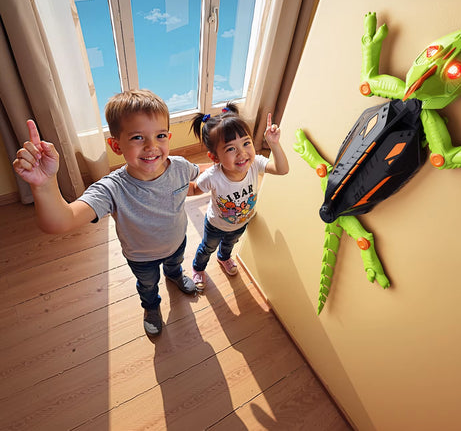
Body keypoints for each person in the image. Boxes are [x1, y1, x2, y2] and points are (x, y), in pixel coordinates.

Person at [12, 89, 202, 336]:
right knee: (147, 286)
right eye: (137, 137)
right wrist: (44, 184)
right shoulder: (111, 188)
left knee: (175, 264)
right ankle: (151, 307)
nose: (152, 146)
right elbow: (60, 222)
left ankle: (174, 275)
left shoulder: (179, 166)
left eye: (160, 135)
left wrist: (229, 169)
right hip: (141, 258)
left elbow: (202, 176)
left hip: (177, 242)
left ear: (169, 137)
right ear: (116, 145)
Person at [188, 103, 289, 291]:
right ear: (215, 157)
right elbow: (194, 189)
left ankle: (224, 258)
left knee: (229, 245)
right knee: (207, 248)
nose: (242, 153)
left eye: (246, 143)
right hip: (216, 225)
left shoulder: (255, 163)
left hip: (242, 222)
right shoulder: (213, 176)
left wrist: (274, 144)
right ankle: (198, 268)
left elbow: (282, 169)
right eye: (230, 149)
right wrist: (171, 183)